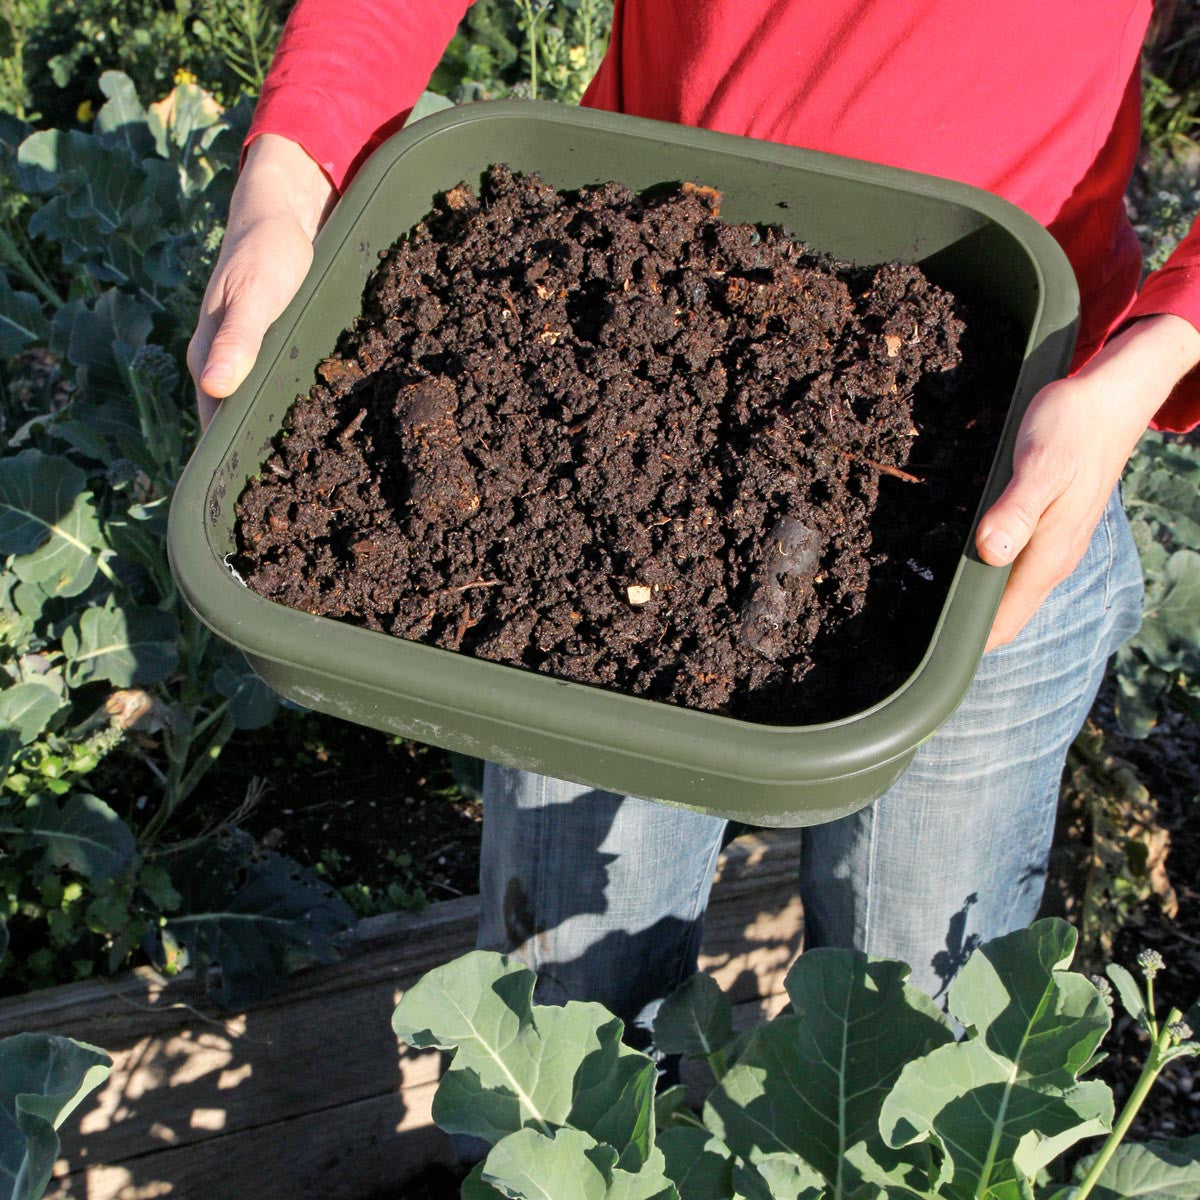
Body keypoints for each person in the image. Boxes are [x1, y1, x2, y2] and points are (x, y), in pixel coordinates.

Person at [188, 1, 1200, 1029]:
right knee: (563, 1032)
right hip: (627, 280)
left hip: (1014, 426)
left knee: (924, 1028)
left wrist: (1161, 350)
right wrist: (290, 171)